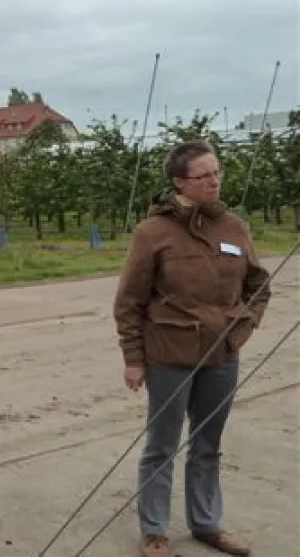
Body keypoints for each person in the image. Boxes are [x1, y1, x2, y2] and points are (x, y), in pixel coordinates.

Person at [113, 140, 271, 557]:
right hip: (170, 354)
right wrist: (133, 359)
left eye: (217, 172)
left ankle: (206, 524)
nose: (214, 181)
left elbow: (258, 283)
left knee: (208, 443)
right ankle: (154, 531)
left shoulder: (234, 226)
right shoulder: (152, 233)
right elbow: (129, 301)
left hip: (223, 354)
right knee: (162, 445)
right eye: (204, 176)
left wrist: (244, 324)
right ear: (181, 182)